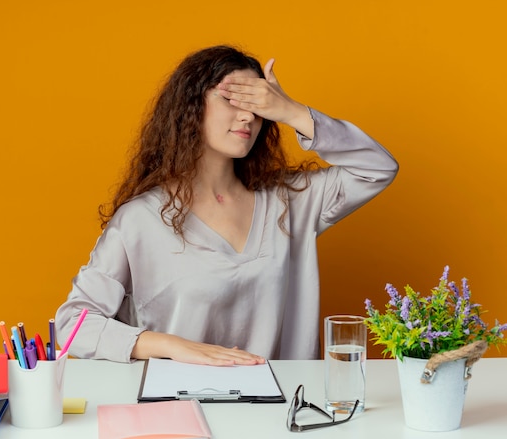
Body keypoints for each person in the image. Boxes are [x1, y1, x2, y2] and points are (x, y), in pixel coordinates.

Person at [55, 45, 398, 365]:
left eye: (259, 104)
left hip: (280, 416)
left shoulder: (292, 201)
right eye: (233, 98)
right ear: (191, 107)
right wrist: (172, 346)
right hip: (178, 412)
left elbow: (378, 168)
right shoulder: (140, 219)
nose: (248, 116)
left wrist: (291, 111)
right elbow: (73, 324)